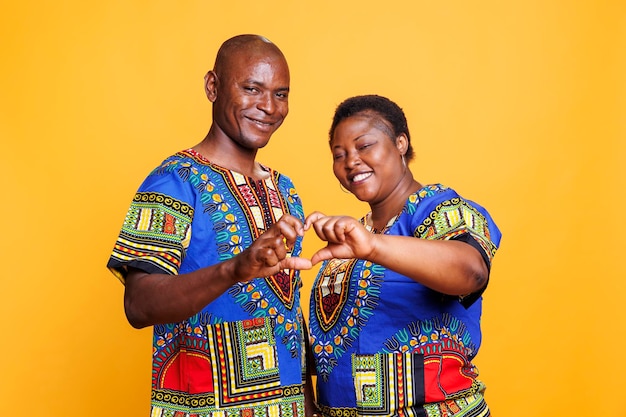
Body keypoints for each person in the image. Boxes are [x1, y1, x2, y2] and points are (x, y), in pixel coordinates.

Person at [107, 34, 317, 417]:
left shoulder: (284, 189)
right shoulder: (174, 181)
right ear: (213, 86)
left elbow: (286, 311)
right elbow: (138, 305)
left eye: (281, 94)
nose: (268, 106)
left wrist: (309, 401)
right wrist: (233, 269)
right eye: (252, 88)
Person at [304, 95, 502, 416]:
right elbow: (342, 347)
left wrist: (371, 247)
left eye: (364, 146)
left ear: (400, 143)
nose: (350, 161)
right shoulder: (353, 236)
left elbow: (471, 271)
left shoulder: (436, 208)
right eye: (339, 155)